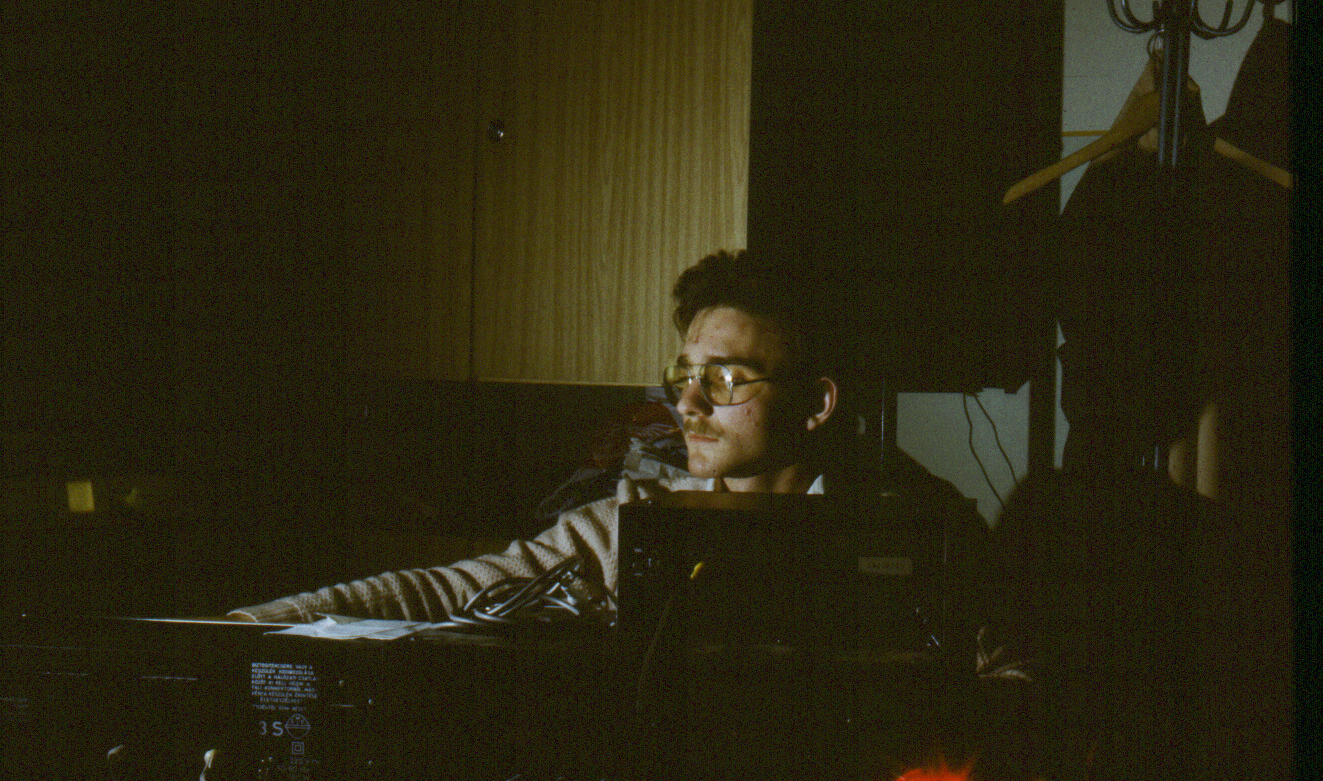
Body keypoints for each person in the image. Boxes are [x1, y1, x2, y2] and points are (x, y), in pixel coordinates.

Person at [226, 249, 982, 626]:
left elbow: (1012, 681)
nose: (687, 402)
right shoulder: (642, 522)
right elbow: (455, 589)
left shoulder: (919, 527)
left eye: (725, 378)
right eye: (684, 373)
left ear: (816, 402)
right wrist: (251, 627)